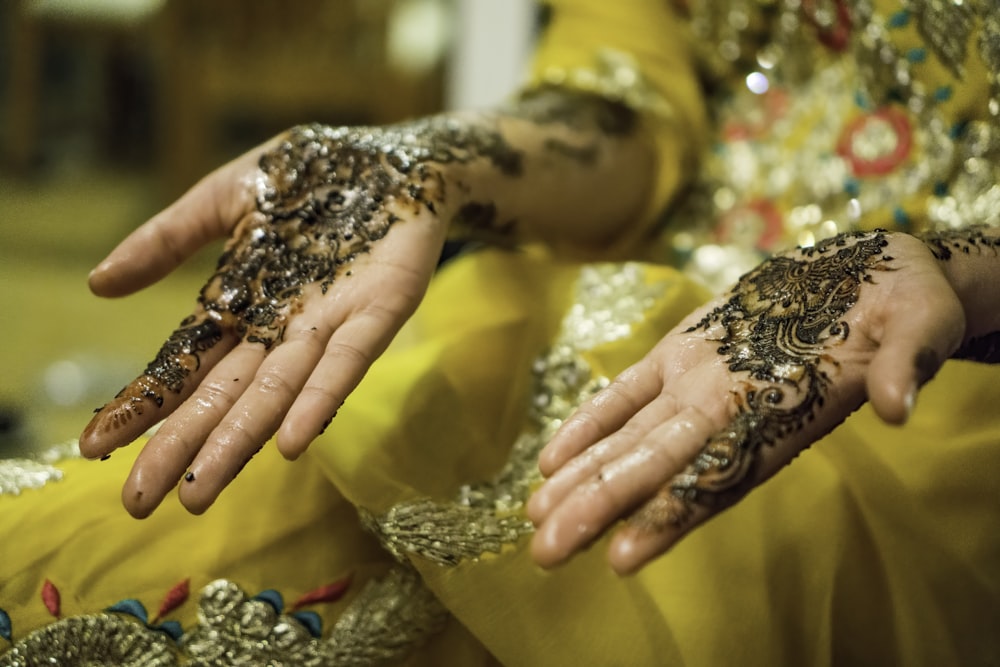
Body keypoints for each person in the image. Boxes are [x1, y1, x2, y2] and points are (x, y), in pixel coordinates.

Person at [2, 0, 999, 664]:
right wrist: (425, 158)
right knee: (74, 557)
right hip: (602, 304)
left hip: (937, 384)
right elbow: (623, 113)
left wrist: (959, 270)